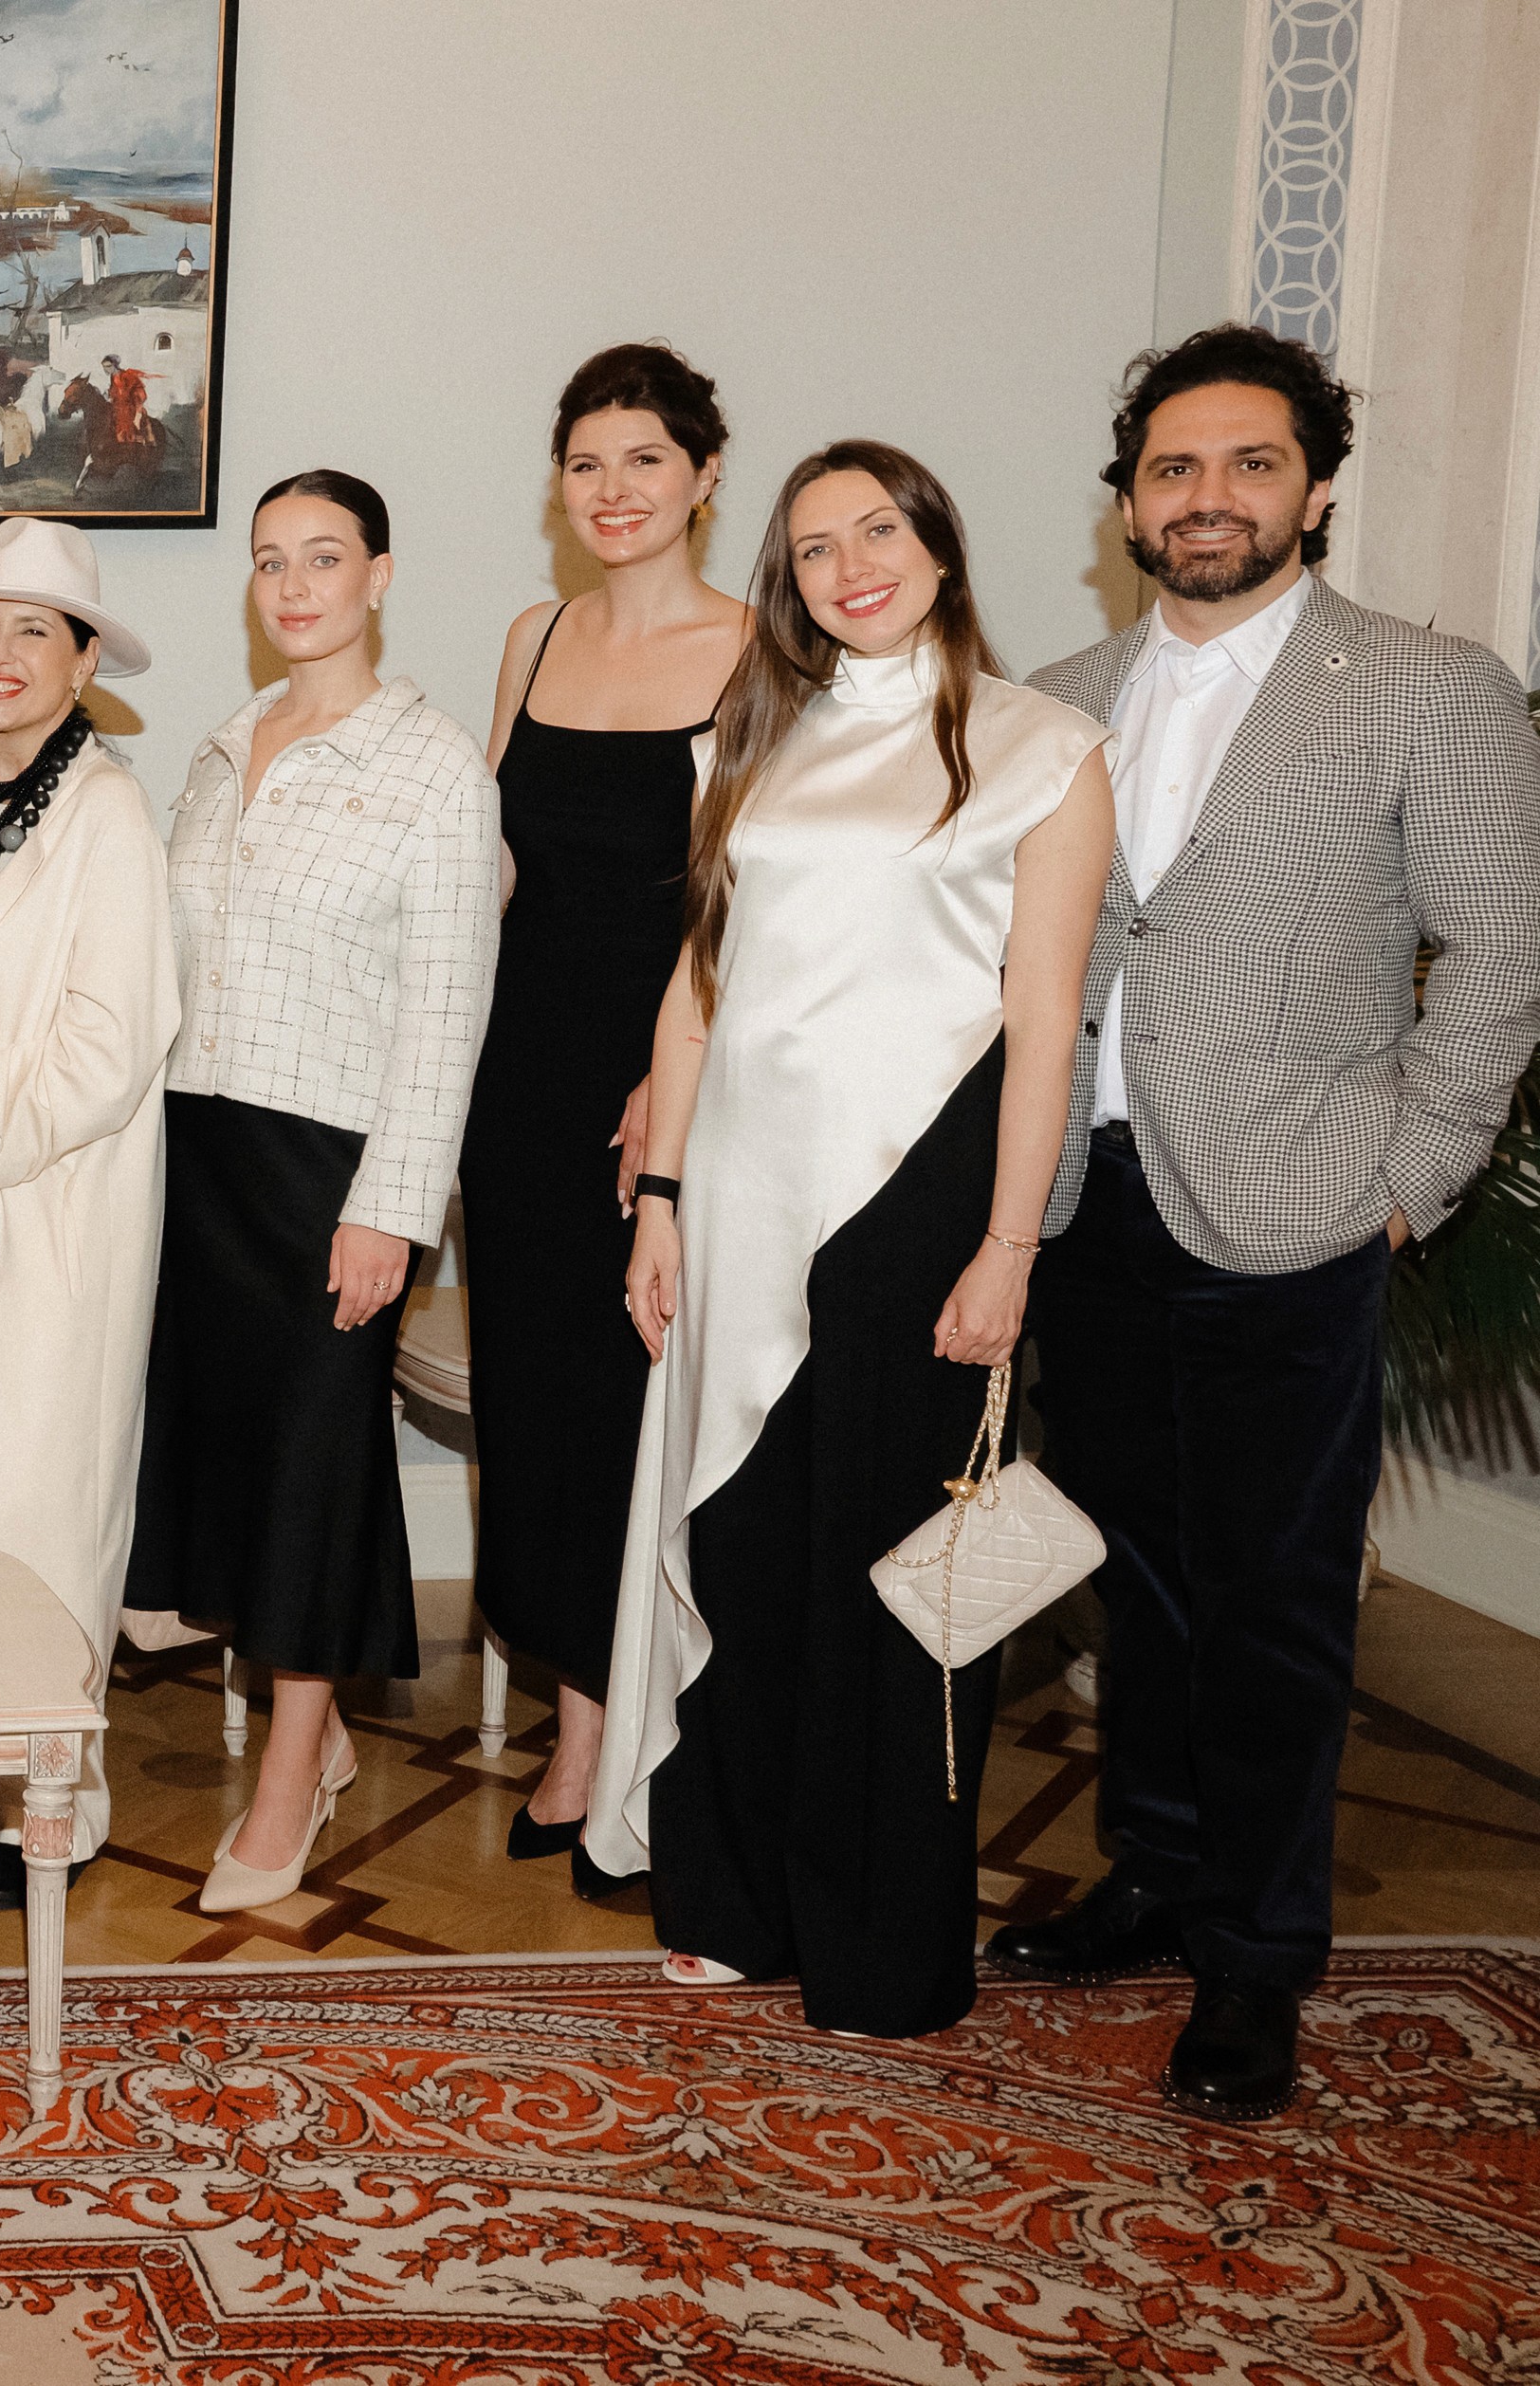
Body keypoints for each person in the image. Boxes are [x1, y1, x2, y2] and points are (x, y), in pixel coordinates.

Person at [996, 326, 1540, 2117]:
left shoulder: (1423, 684)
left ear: (1313, 484)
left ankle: (1257, 1957)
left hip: (1301, 1207)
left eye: (1247, 463)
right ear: (1129, 499)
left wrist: (1410, 1176)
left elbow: (1503, 958)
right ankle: (1156, 1865)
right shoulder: (1057, 692)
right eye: (1172, 467)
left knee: (1278, 1602)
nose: (1207, 495)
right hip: (1097, 1203)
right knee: (1140, 1580)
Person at [590, 441, 1114, 2039]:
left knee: (895, 1585)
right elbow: (697, 988)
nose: (849, 565)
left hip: (922, 1208)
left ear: (940, 547)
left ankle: (884, 1941)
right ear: (789, 584)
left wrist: (1011, 1244)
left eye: (876, 530)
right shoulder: (752, 740)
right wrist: (662, 1196)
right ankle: (735, 1902)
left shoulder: (1047, 748)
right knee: (743, 1551)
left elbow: (1044, 1024)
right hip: (740, 1201)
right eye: (814, 548)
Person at [131, 472, 498, 1914]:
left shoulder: (433, 770)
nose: (292, 588)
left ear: (380, 575)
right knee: (227, 1455)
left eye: (323, 559)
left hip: (326, 1170)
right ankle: (325, 1729)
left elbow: (447, 1009)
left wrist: (391, 1209)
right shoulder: (224, 750)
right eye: (270, 562)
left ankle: (287, 1781)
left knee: (307, 1470)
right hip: (199, 1147)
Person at [462, 344, 750, 1889]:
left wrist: (674, 1083)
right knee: (541, 1411)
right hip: (518, 1088)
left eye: (646, 457)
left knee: (640, 1416)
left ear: (708, 473)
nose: (615, 488)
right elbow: (497, 867)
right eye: (587, 462)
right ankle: (578, 1716)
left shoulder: (765, 652)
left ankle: (633, 1734)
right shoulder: (537, 633)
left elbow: (741, 906)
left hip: (668, 1087)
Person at [0, 517, 176, 1914]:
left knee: (49, 1501)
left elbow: (115, 1041)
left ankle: (57, 1804)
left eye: (31, 633)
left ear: (81, 663)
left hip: (55, 1208)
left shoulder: (105, 809)